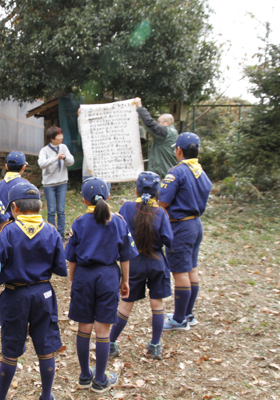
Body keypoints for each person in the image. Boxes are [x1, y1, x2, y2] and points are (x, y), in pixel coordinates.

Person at [0, 182, 67, 400]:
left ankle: (0, 397)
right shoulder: (51, 231)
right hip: (44, 294)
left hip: (15, 295)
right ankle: (46, 395)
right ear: (40, 206)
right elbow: (61, 267)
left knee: (11, 348)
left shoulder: (8, 232)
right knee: (46, 345)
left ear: (14, 207)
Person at [66, 177, 137, 393]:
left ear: (83, 199)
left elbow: (72, 258)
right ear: (108, 197)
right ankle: (100, 380)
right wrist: (125, 280)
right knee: (103, 329)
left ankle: (84, 375)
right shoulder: (118, 221)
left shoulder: (78, 223)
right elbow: (126, 256)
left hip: (84, 277)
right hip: (108, 276)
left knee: (84, 327)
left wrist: (72, 281)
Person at [108, 172, 173, 360]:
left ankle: (111, 343)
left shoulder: (127, 208)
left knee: (126, 305)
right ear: (157, 192)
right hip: (157, 263)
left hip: (133, 263)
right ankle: (155, 345)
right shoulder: (161, 212)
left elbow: (118, 231)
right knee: (157, 305)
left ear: (136, 189)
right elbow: (168, 240)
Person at [159, 133, 212, 330]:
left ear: (178, 150)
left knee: (180, 272)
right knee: (191, 270)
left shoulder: (178, 172)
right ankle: (188, 314)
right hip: (196, 225)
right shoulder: (201, 172)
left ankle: (179, 320)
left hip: (180, 226)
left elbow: (163, 201)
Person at [38, 126, 74, 239]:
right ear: (52, 138)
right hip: (49, 184)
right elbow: (42, 164)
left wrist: (64, 158)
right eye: (59, 135)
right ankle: (52, 234)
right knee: (51, 211)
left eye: (61, 134)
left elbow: (71, 162)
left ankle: (61, 234)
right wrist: (56, 158)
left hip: (62, 182)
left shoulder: (63, 147)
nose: (61, 137)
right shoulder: (44, 150)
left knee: (61, 210)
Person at [134, 97, 178, 178]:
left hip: (163, 176)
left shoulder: (166, 133)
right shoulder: (172, 132)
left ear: (167, 123)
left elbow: (150, 124)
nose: (157, 124)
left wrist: (140, 107)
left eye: (159, 122)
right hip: (167, 175)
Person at [0, 151, 29, 220]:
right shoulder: (26, 185)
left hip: (4, 225)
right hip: (22, 225)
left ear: (6, 166)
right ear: (23, 167)